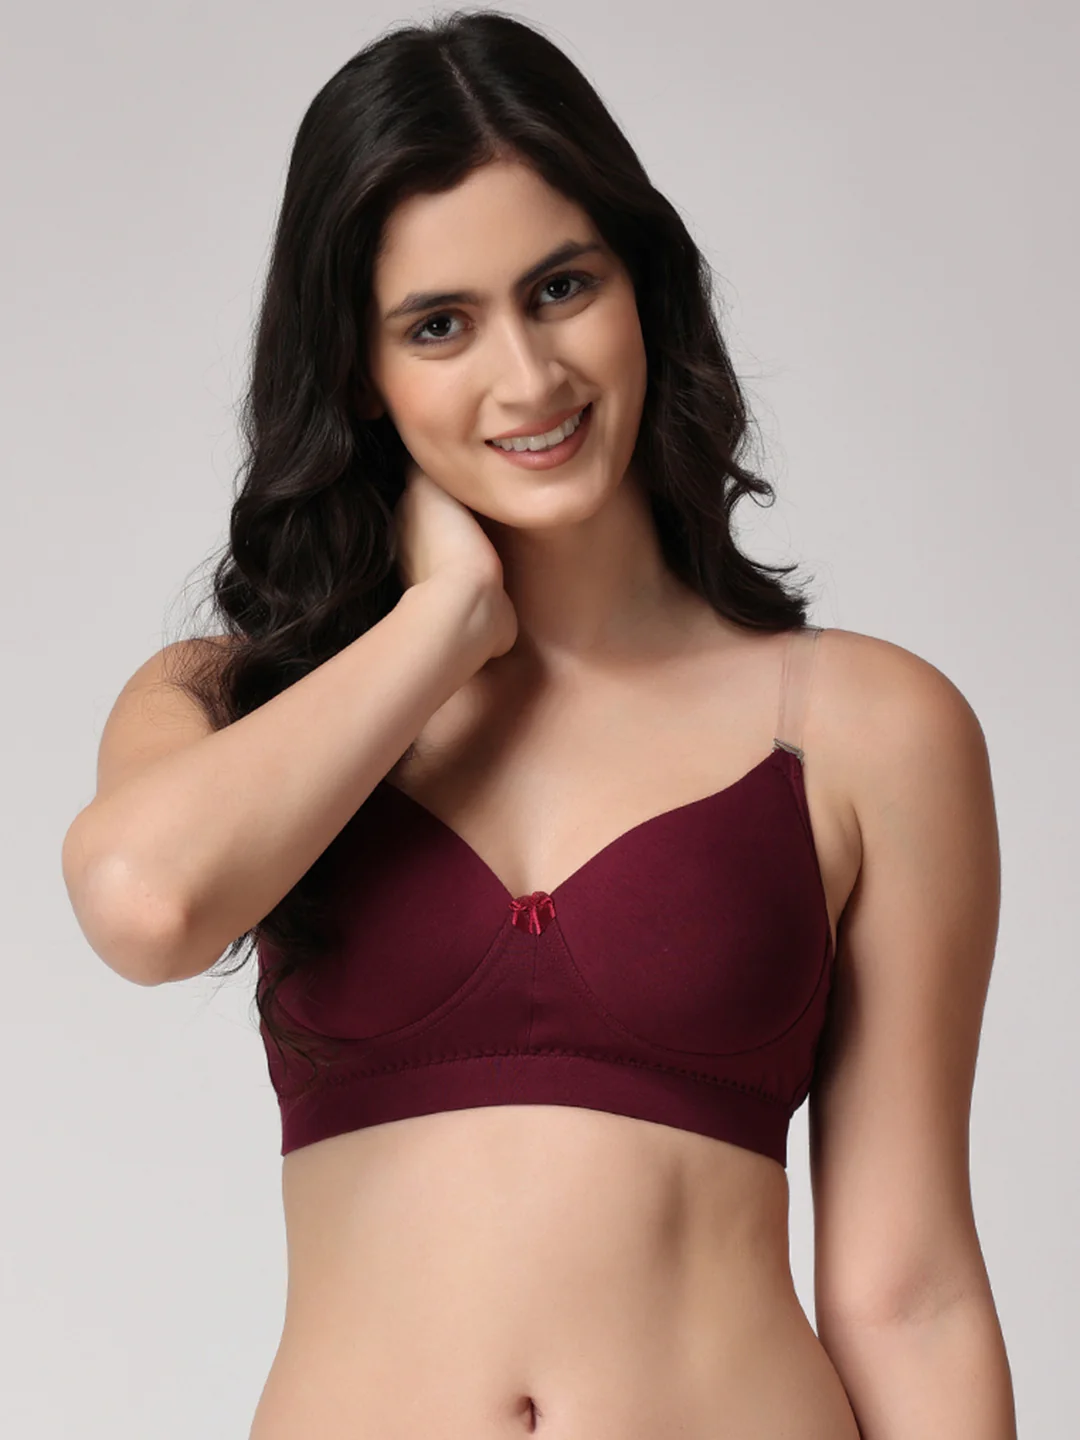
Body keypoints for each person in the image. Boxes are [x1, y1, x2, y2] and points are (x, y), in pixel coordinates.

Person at [61, 11, 1016, 1438]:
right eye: (438, 325)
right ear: (360, 371)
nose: (528, 378)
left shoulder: (869, 728)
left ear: (642, 289)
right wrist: (445, 622)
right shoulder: (224, 705)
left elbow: (911, 1292)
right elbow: (147, 908)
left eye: (562, 287)